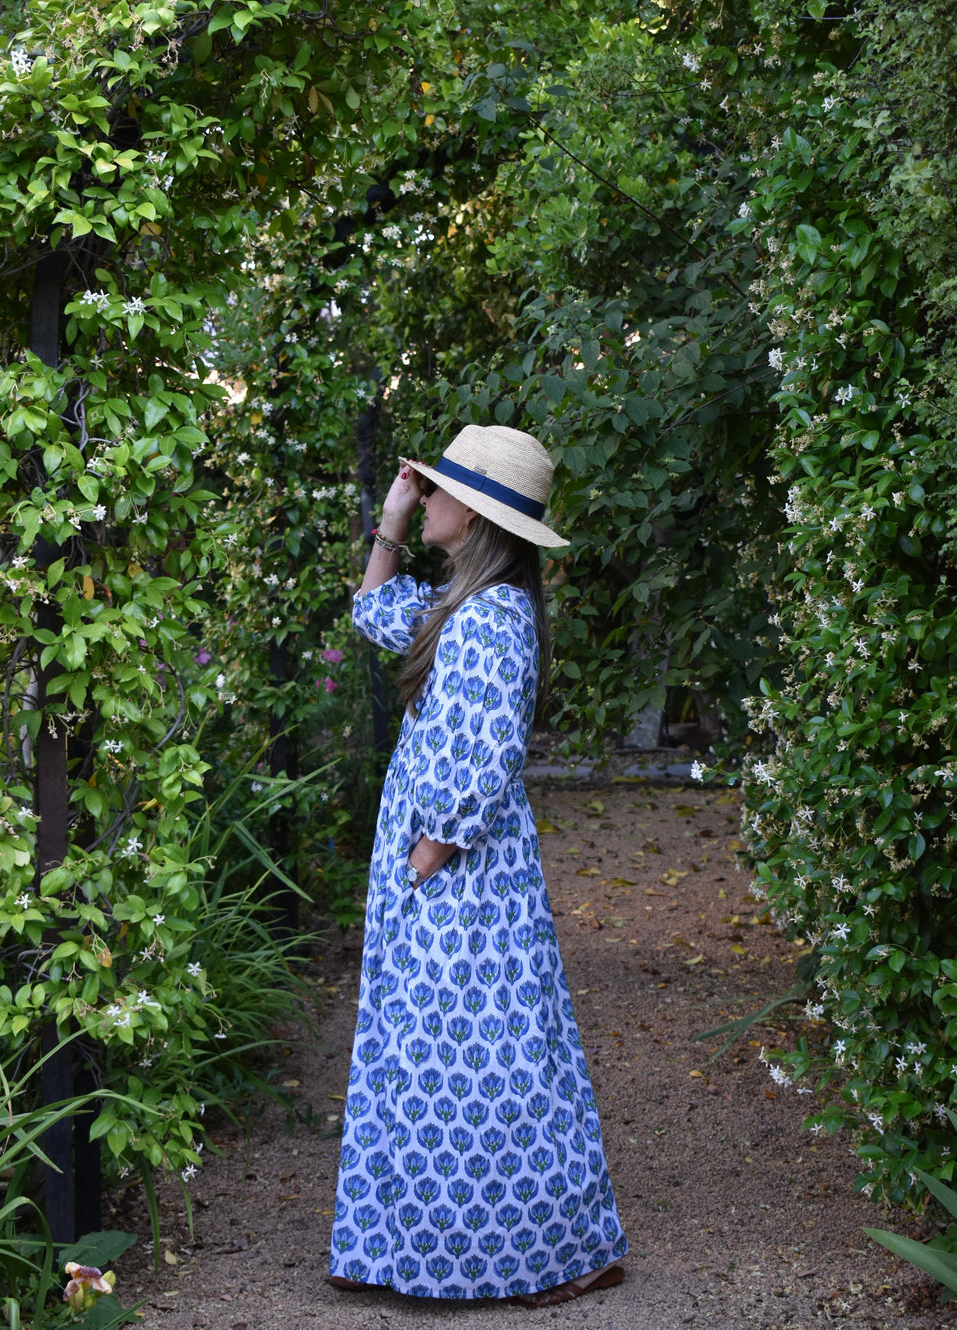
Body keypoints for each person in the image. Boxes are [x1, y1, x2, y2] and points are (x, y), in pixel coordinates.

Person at [328, 423, 627, 1306]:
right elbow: (371, 612)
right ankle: (435, 1251)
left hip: (461, 873)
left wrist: (431, 854)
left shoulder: (493, 615)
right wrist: (390, 516)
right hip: (442, 868)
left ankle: (565, 1252)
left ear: (481, 515)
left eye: (437, 488)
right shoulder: (466, 601)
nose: (426, 496)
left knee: (490, 1055)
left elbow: (486, 754)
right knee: (443, 1054)